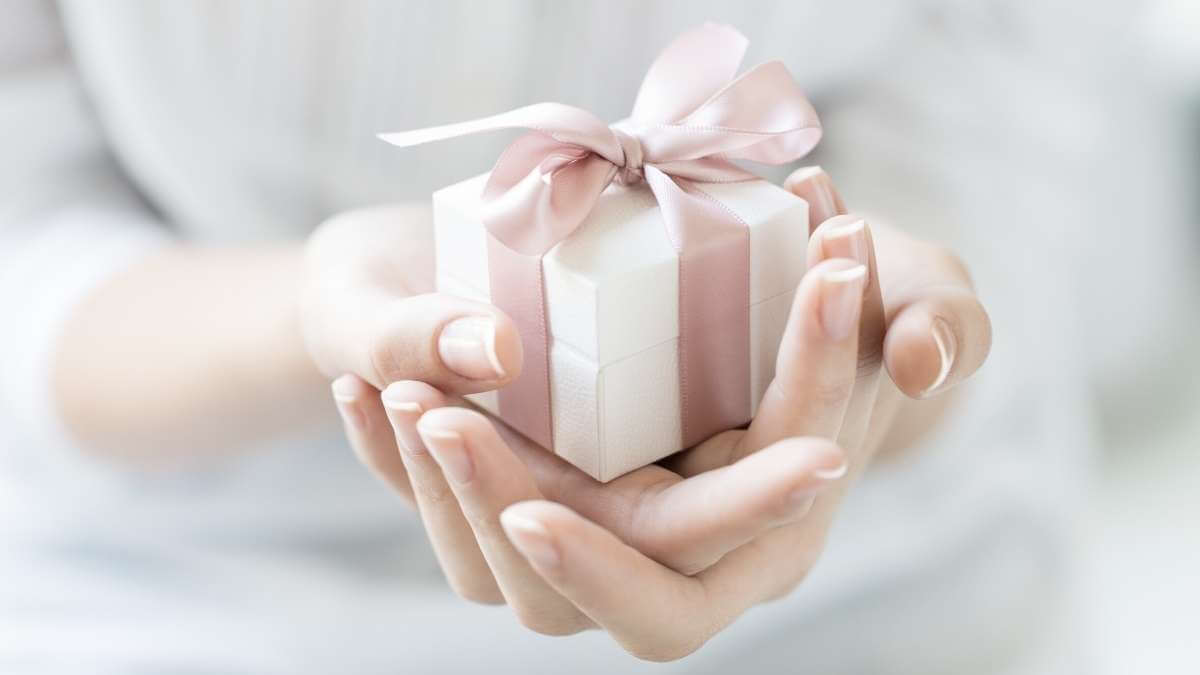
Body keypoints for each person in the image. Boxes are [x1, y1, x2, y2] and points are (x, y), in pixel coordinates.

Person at [9, 1, 1169, 672]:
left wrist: (876, 353)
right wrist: (312, 314)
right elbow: (28, 252)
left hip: (887, 577)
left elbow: (993, 165)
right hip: (194, 584)